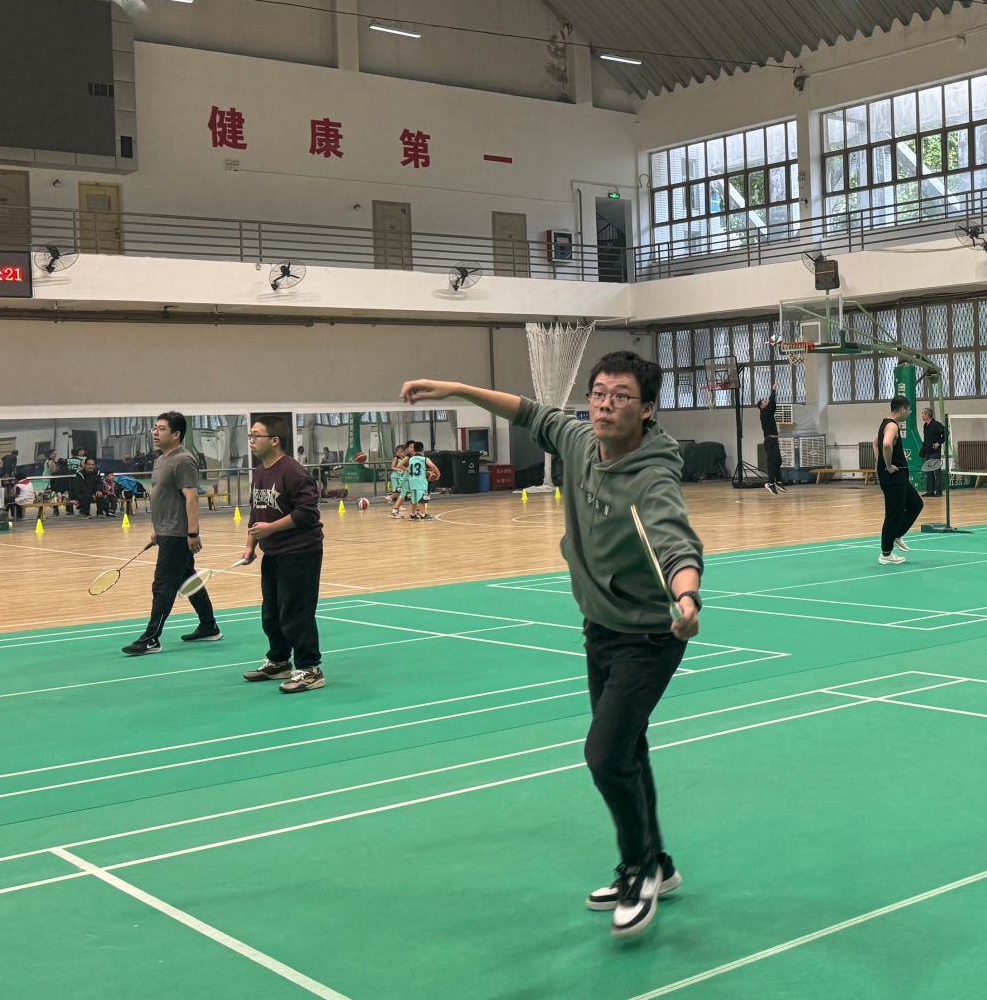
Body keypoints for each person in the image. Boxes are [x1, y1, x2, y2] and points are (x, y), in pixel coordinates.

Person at [398, 352, 703, 939]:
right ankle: (657, 863)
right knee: (627, 748)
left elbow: (676, 543)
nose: (605, 404)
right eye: (598, 393)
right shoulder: (579, 441)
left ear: (646, 409)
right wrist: (456, 387)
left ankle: (639, 868)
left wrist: (687, 598)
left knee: (605, 755)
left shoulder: (652, 476)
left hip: (648, 636)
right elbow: (528, 410)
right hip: (599, 626)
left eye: (620, 396)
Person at [123, 410, 221, 656]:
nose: (155, 432)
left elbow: (191, 498)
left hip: (178, 534)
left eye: (162, 429)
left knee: (163, 585)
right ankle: (209, 626)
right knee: (187, 578)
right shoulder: (161, 459)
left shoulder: (183, 460)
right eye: (155, 428)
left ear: (176, 435)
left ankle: (151, 638)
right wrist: (157, 530)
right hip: (166, 531)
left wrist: (193, 533)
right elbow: (164, 498)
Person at [240, 418, 326, 694]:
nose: (251, 440)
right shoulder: (260, 472)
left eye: (256, 435)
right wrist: (250, 545)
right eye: (250, 435)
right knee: (272, 613)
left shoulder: (294, 472)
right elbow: (256, 512)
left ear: (274, 440)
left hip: (301, 552)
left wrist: (271, 529)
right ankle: (279, 661)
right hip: (274, 553)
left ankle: (310, 669)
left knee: (296, 612)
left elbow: (307, 513)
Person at [876, 394, 924, 564]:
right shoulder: (892, 426)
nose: (909, 413)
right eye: (909, 410)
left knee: (916, 504)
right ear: (903, 409)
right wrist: (888, 465)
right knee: (894, 513)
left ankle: (896, 535)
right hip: (893, 477)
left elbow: (875, 443)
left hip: (898, 477)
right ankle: (886, 554)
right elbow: (886, 444)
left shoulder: (885, 424)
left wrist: (879, 463)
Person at [757, 388, 785, 494]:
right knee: (772, 462)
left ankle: (778, 481)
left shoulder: (768, 412)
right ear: (761, 406)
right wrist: (773, 390)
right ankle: (770, 483)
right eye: (765, 402)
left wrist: (773, 396)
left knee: (778, 461)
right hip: (769, 441)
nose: (766, 402)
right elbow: (772, 402)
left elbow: (773, 404)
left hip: (774, 440)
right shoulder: (764, 413)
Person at [920, 406, 948, 499]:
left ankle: (938, 491)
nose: (922, 415)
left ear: (928, 415)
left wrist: (939, 443)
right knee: (929, 471)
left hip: (935, 452)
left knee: (936, 471)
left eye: (923, 413)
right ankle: (930, 491)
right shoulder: (925, 425)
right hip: (927, 452)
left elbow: (946, 432)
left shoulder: (936, 424)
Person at [404, 440, 433, 521]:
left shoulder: (411, 459)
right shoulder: (424, 458)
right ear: (422, 449)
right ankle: (422, 515)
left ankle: (412, 515)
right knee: (422, 499)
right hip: (420, 481)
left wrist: (408, 470)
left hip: (412, 480)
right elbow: (433, 466)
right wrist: (438, 474)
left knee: (413, 500)